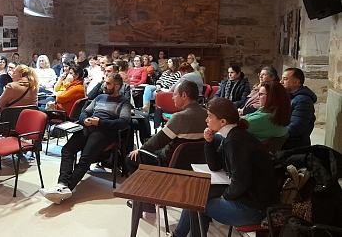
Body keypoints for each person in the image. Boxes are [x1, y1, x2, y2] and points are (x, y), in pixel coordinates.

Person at [172, 98, 280, 237]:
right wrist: (209, 142)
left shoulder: (235, 140)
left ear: (223, 121)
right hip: (248, 198)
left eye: (209, 116)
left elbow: (241, 180)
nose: (206, 120)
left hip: (253, 208)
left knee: (195, 203)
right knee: (197, 195)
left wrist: (226, 196)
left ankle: (177, 235)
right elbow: (215, 166)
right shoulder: (232, 135)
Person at [39, 73, 131, 204]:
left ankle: (65, 189)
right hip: (88, 126)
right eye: (105, 82)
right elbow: (85, 112)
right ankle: (62, 185)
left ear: (117, 86)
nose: (105, 85)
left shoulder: (123, 102)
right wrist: (85, 120)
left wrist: (100, 123)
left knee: (85, 158)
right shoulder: (100, 97)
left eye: (108, 84)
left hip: (105, 131)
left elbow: (124, 122)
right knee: (67, 150)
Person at [126, 80, 206, 211]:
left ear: (184, 96)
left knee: (131, 158)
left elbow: (158, 141)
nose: (173, 97)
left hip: (170, 162)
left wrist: (140, 150)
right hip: (195, 163)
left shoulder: (180, 117)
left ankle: (146, 202)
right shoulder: (206, 114)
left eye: (175, 94)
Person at [280, 68, 317, 149]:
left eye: (285, 79)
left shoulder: (303, 101)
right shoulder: (290, 96)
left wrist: (273, 132)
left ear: (296, 82)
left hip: (294, 146)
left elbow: (296, 128)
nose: (281, 82)